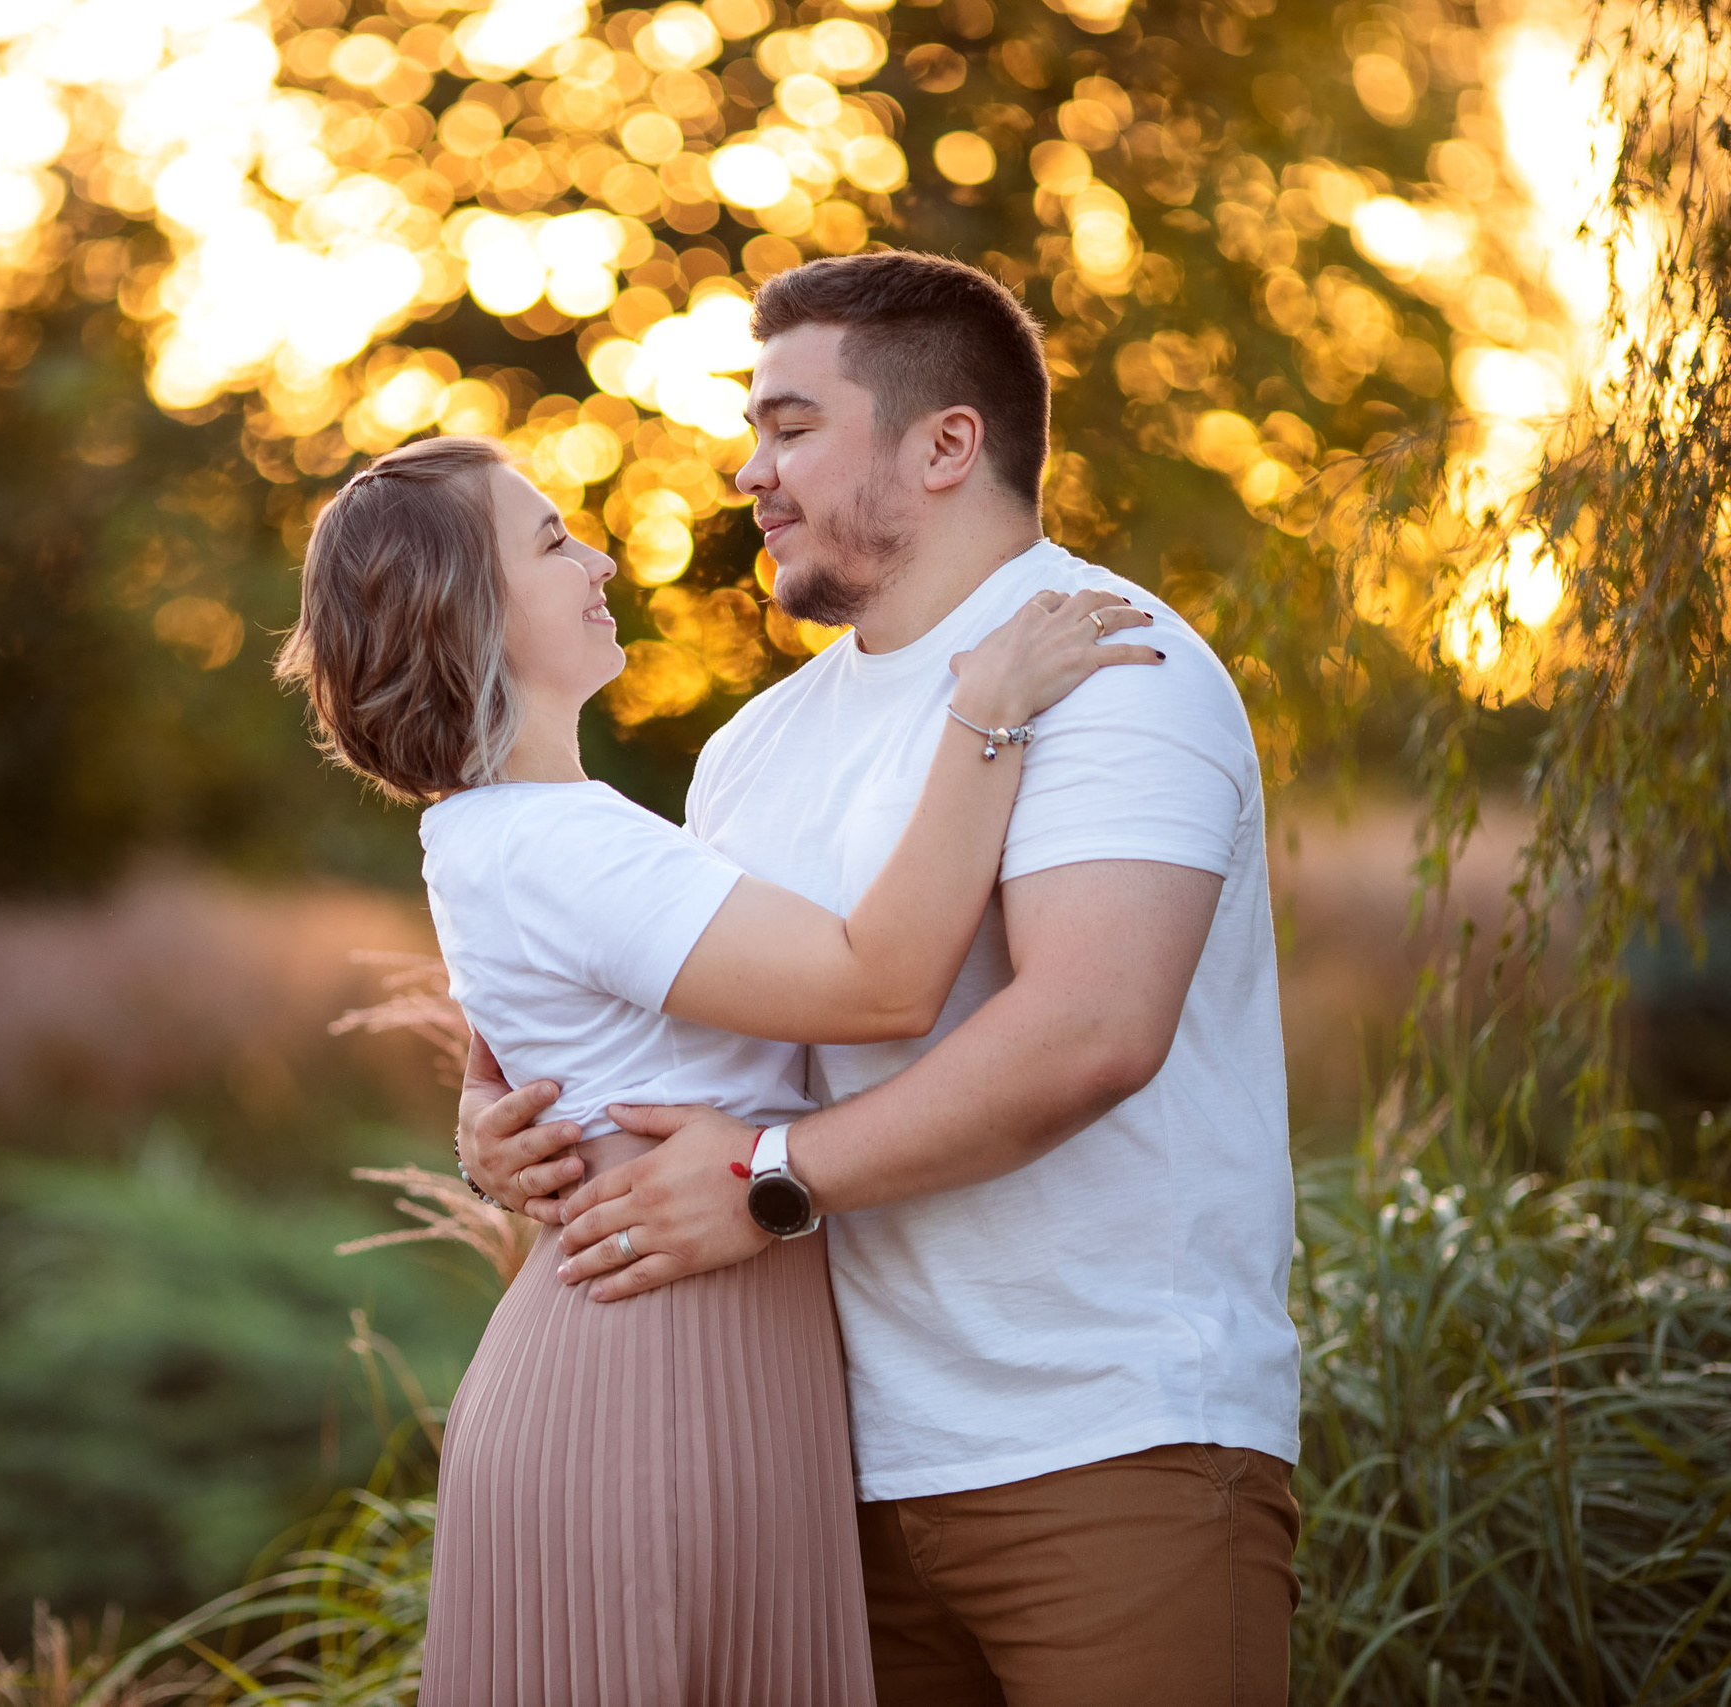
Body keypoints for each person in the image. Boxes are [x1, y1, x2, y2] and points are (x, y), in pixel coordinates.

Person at [461, 250, 1304, 1705]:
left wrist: (768, 1182)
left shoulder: (1113, 665)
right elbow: (709, 1041)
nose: (747, 471)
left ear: (945, 443)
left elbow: (1094, 1028)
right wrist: (510, 1127)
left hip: (1103, 1444)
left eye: (790, 426)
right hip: (824, 1462)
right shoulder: (753, 747)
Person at [276, 430, 1158, 1706]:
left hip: (689, 1349)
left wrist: (483, 1110)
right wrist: (989, 710)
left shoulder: (511, 834)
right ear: (467, 614)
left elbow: (536, 1027)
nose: (596, 555)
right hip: (653, 1373)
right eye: (548, 541)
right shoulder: (555, 846)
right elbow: (882, 980)